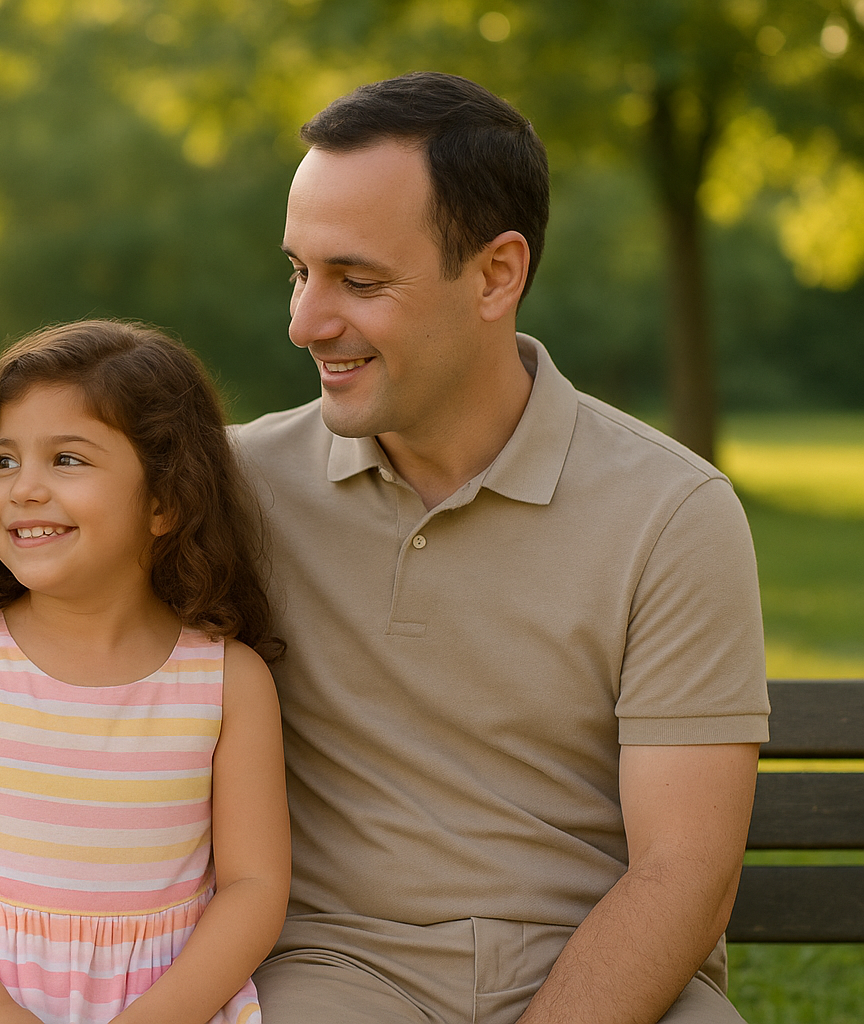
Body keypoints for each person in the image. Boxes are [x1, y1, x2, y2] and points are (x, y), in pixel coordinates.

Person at [236, 72, 770, 1024]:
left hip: (614, 976)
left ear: (497, 274)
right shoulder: (238, 488)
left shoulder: (673, 512)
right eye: (298, 271)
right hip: (340, 974)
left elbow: (685, 869)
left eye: (357, 281)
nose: (305, 322)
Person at [0, 320, 290, 1024]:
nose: (24, 488)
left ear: (165, 501)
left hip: (164, 1004)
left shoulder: (226, 682)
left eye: (66, 460)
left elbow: (253, 888)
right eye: (4, 462)